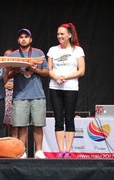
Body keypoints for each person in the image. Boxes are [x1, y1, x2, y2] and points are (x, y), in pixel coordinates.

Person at [9, 28, 49, 159]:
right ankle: (22, 151)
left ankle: (38, 151)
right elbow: (7, 74)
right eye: (21, 37)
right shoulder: (13, 55)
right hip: (20, 95)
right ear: (18, 40)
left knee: (38, 124)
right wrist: (15, 71)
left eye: (26, 37)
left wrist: (35, 69)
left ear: (30, 39)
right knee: (21, 125)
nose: (23, 39)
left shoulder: (38, 53)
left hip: (37, 94)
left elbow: (46, 72)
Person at [47, 23, 85, 159]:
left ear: (69, 35)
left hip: (71, 88)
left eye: (62, 34)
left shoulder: (78, 50)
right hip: (55, 87)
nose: (59, 36)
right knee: (58, 119)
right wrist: (56, 77)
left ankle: (68, 150)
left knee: (69, 118)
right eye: (58, 34)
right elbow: (49, 69)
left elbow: (81, 71)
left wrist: (65, 77)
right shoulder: (52, 50)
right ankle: (60, 150)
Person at [3, 49, 17, 138]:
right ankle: (2, 146)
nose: (8, 56)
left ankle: (15, 147)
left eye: (10, 55)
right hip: (3, 98)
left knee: (14, 125)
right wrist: (4, 86)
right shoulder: (0, 68)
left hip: (15, 98)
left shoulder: (17, 69)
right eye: (6, 54)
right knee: (2, 124)